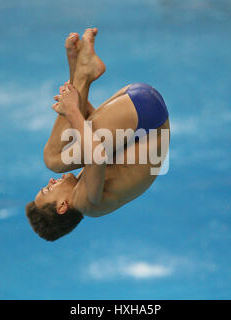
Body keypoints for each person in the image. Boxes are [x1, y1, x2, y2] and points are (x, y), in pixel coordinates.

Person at [25, 28, 170, 241]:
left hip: (142, 114)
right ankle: (81, 72)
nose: (50, 182)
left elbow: (101, 133)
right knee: (53, 159)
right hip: (146, 116)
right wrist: (72, 110)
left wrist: (75, 105)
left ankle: (81, 71)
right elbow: (98, 155)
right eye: (47, 190)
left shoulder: (85, 190)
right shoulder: (88, 203)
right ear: (62, 206)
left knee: (70, 140)